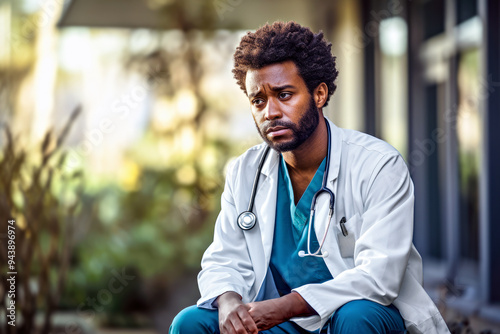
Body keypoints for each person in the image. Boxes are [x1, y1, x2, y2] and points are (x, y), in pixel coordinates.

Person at [169, 21, 450, 334]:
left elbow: (379, 276)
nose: (270, 112)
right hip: (278, 323)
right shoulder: (244, 171)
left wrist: (284, 306)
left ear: (319, 93)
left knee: (357, 315)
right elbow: (224, 259)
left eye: (284, 95)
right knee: (191, 323)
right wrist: (229, 301)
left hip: (351, 318)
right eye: (258, 101)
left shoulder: (377, 164)